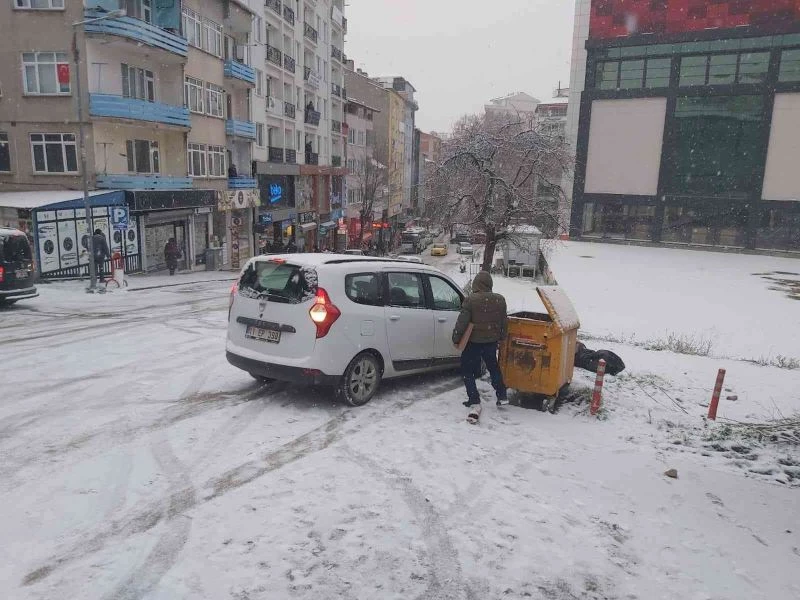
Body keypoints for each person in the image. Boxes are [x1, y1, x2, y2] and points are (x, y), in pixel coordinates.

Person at [452, 271, 508, 408]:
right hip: (491, 342)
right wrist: (502, 337)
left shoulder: (471, 300)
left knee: (467, 370)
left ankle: (474, 398)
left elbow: (462, 323)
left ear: (476, 284)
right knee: (493, 368)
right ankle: (502, 395)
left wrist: (456, 338)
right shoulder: (500, 300)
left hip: (473, 343)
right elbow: (504, 322)